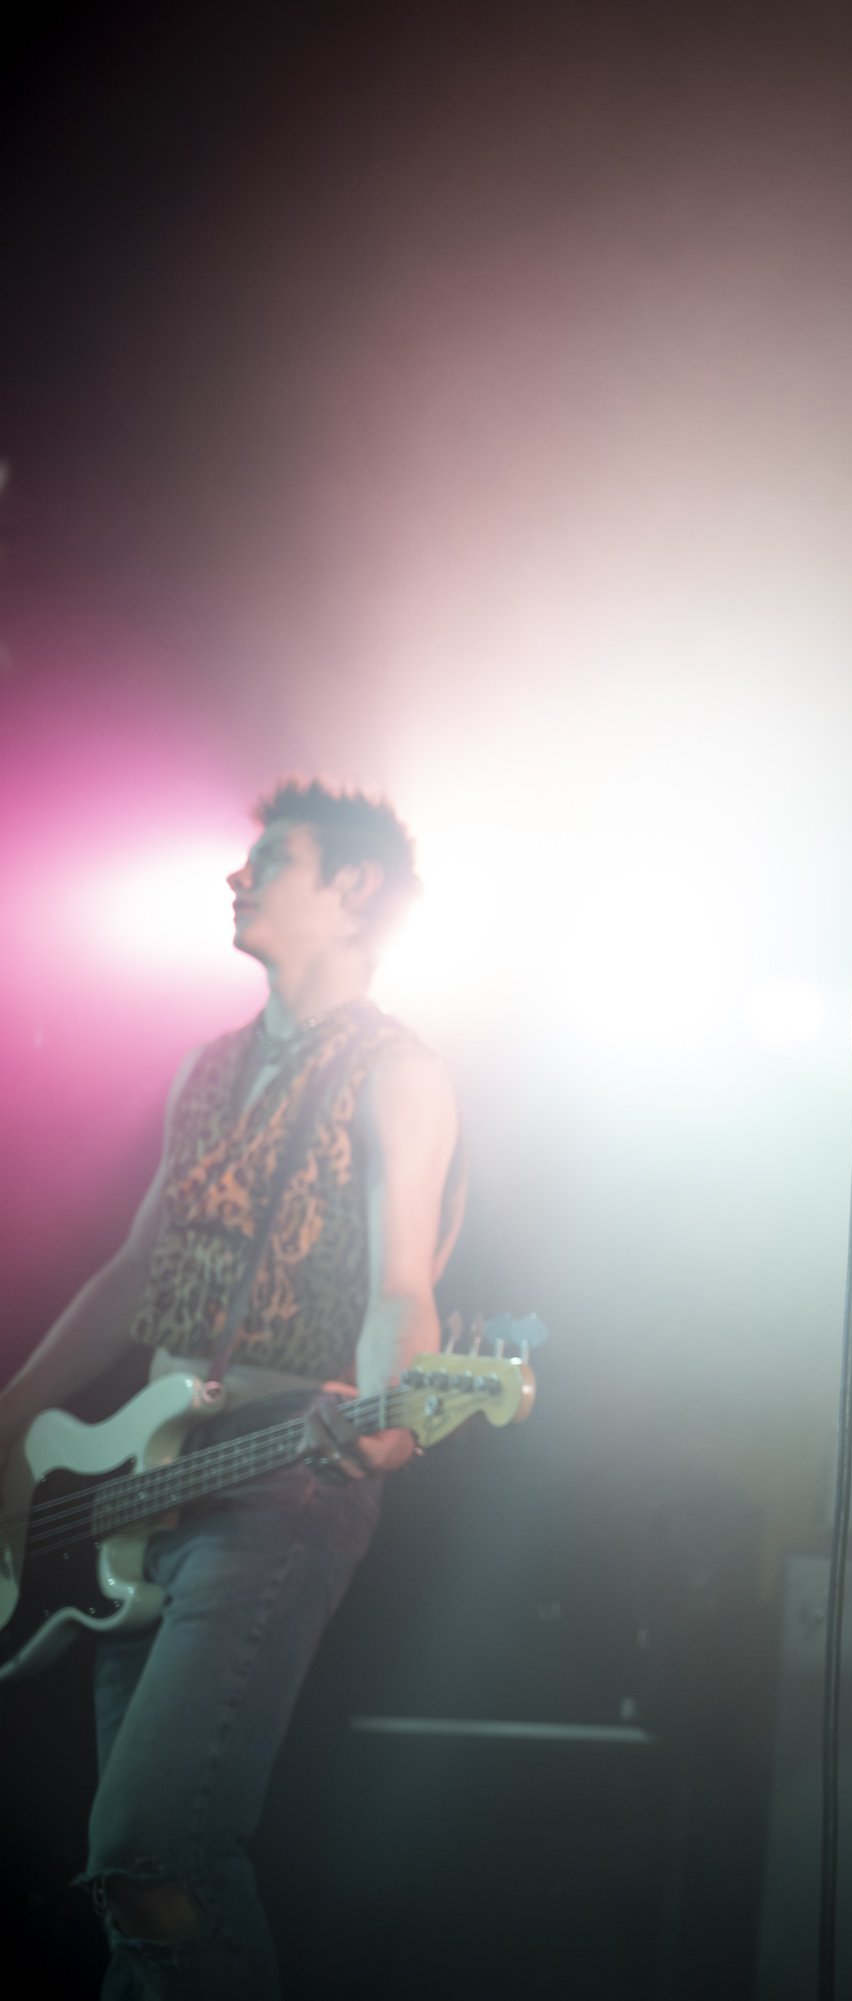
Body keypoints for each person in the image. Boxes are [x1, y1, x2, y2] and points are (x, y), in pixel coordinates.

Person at [0, 781, 464, 1999]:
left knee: (150, 1851)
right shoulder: (205, 1069)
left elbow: (402, 1281)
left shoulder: (399, 1071)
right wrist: (11, 1419)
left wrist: (392, 1404)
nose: (236, 876)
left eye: (273, 858)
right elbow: (135, 1273)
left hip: (279, 1476)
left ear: (353, 888)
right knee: (128, 1893)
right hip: (142, 1492)